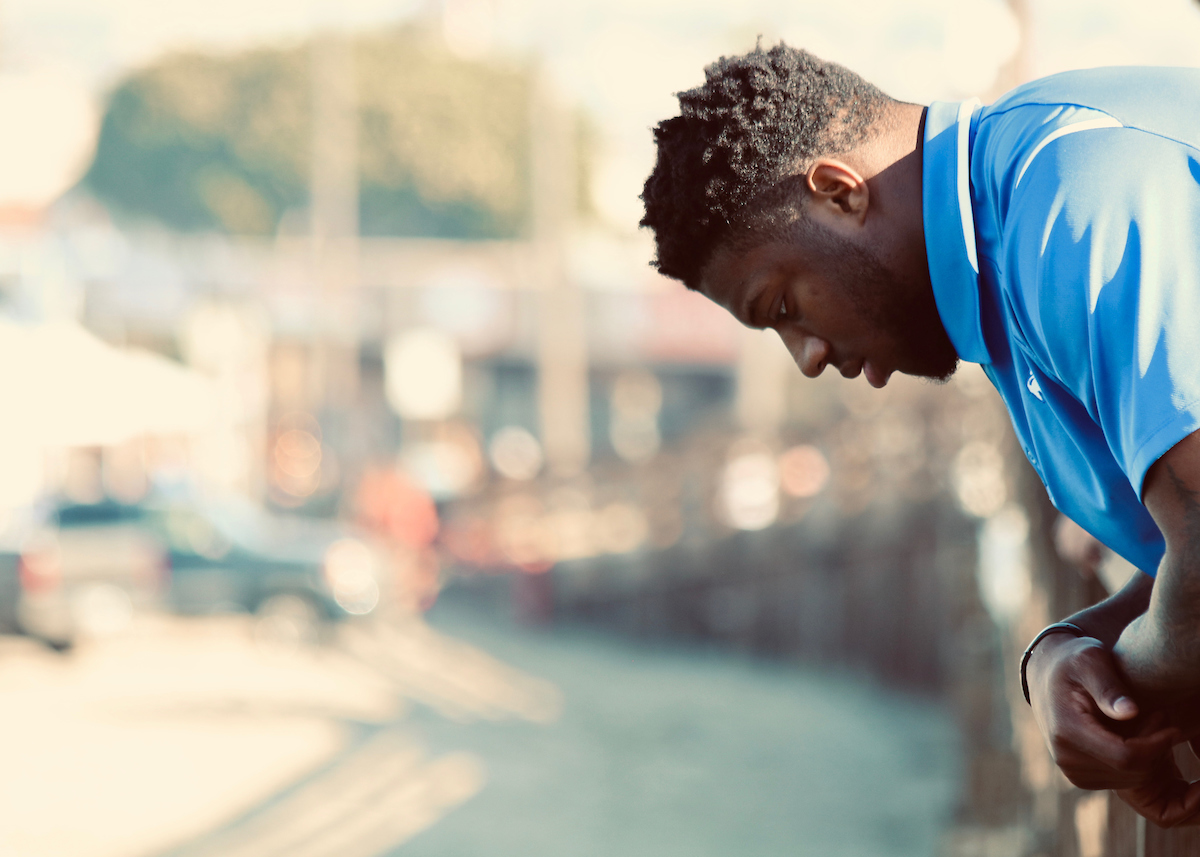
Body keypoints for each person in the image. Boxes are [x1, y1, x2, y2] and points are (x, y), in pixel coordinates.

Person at [639, 42, 1200, 827]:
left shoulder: (1070, 194)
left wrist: (1128, 689)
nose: (804, 358)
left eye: (782, 306)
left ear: (839, 192)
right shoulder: (1013, 234)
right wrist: (1062, 651)